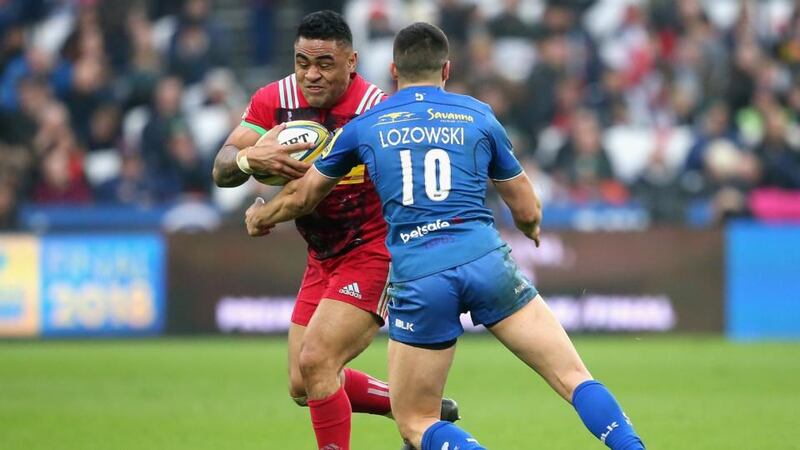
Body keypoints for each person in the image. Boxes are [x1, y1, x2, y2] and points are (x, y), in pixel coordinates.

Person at [244, 22, 646, 450]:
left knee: (417, 421)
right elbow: (527, 208)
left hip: (420, 275)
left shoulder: (364, 126)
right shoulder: (477, 115)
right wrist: (531, 230)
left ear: (394, 71)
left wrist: (261, 215)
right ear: (446, 70)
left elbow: (304, 196)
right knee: (573, 377)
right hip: (485, 261)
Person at [211, 11, 457, 450]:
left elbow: (312, 194)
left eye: (325, 64)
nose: (311, 74)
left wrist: (266, 215)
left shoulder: (376, 111)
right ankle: (421, 408)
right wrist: (249, 159)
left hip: (374, 250)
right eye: (302, 62)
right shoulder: (274, 100)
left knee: (318, 360)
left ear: (351, 62)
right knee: (301, 383)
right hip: (322, 255)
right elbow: (221, 168)